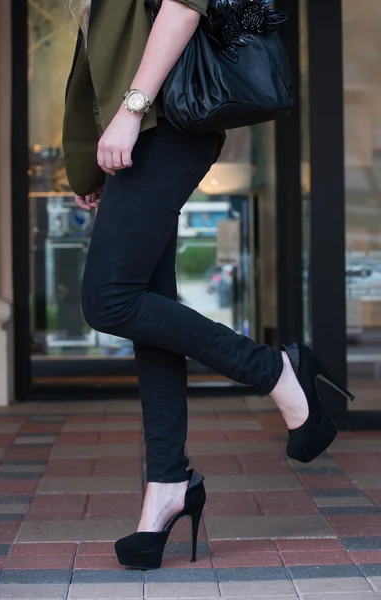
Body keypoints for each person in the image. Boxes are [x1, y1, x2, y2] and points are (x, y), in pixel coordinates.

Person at [63, 0, 354, 570]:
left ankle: (275, 371)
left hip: (165, 119)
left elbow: (183, 6)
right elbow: (92, 42)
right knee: (150, 307)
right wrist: (87, 153)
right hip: (137, 126)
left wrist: (129, 111)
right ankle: (168, 484)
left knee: (109, 299)